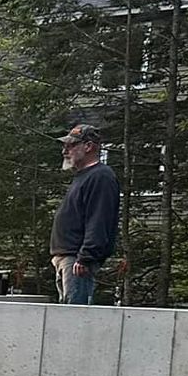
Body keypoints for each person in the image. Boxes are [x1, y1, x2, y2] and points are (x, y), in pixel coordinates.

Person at [50, 124, 119, 305]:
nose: (65, 150)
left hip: (77, 261)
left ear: (88, 147)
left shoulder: (100, 176)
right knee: (65, 314)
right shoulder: (83, 176)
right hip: (67, 258)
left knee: (74, 319)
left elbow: (98, 220)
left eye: (71, 145)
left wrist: (86, 257)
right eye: (64, 146)